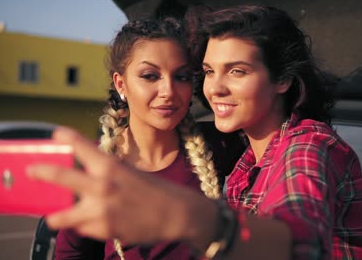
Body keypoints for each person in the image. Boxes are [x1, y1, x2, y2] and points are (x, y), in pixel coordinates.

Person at [28, 4, 362, 260]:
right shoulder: (245, 159)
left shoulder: (307, 147)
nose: (213, 89)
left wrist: (185, 218)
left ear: (282, 80)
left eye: (237, 71)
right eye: (209, 71)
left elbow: (299, 241)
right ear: (120, 84)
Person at [52, 17, 244, 260]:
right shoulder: (94, 167)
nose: (168, 92)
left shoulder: (220, 144)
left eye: (182, 77)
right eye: (150, 76)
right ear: (121, 84)